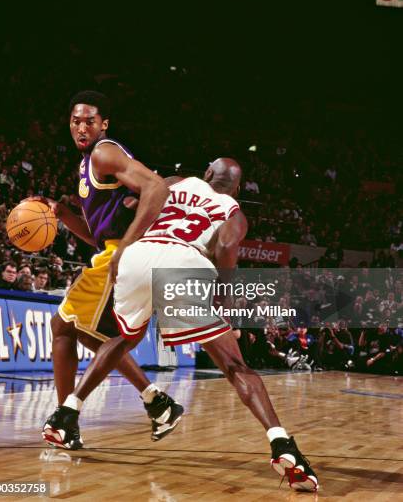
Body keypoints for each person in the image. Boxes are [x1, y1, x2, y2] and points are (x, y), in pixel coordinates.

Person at [45, 158, 319, 492]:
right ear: (238, 188)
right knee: (234, 365)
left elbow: (133, 202)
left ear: (206, 174)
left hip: (137, 256)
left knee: (123, 339)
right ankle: (282, 444)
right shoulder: (233, 210)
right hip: (183, 261)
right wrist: (224, 297)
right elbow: (227, 245)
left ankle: (67, 412)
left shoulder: (175, 181)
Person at [39, 91, 183, 449]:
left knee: (63, 326)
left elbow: (156, 187)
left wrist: (128, 245)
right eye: (75, 121)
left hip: (121, 253)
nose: (81, 127)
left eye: (89, 120)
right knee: (83, 332)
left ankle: (66, 419)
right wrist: (64, 214)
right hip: (109, 250)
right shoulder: (87, 165)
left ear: (104, 124)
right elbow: (95, 235)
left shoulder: (105, 151)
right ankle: (157, 403)